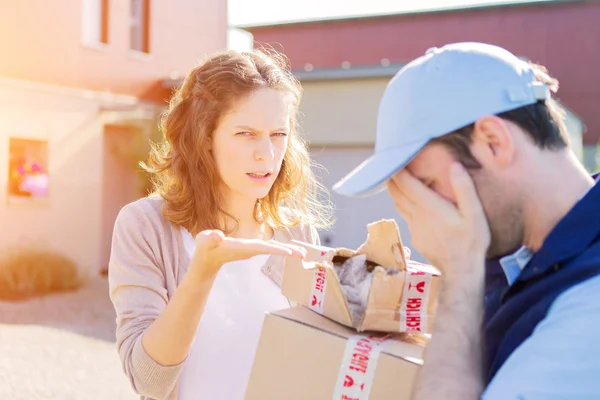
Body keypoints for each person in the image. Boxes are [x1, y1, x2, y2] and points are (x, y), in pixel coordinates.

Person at [333, 42, 600, 399]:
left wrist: (460, 273)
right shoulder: (522, 260)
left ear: (493, 142)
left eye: (428, 185)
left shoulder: (588, 305)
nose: (423, 210)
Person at [108, 48, 332, 400]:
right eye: (246, 134)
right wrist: (202, 272)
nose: (267, 154)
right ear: (203, 137)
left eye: (278, 134)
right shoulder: (144, 226)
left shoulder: (297, 233)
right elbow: (149, 381)